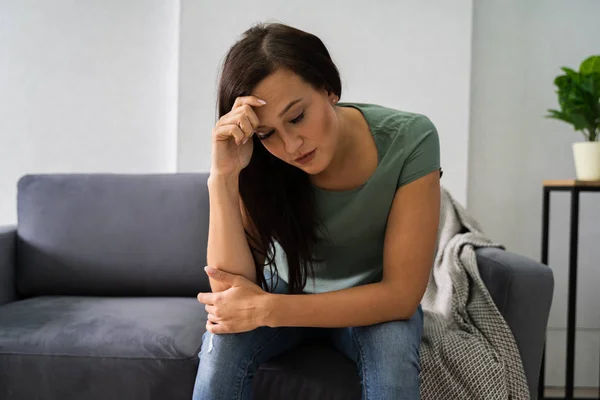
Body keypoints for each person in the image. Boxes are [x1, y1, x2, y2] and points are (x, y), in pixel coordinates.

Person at [193, 22, 442, 400]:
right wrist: (223, 176)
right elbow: (226, 293)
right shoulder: (256, 161)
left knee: (392, 361)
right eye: (267, 134)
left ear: (329, 88)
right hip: (281, 291)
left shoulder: (411, 139)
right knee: (220, 347)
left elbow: (401, 295)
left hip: (368, 302)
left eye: (297, 117)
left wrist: (268, 310)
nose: (291, 145)